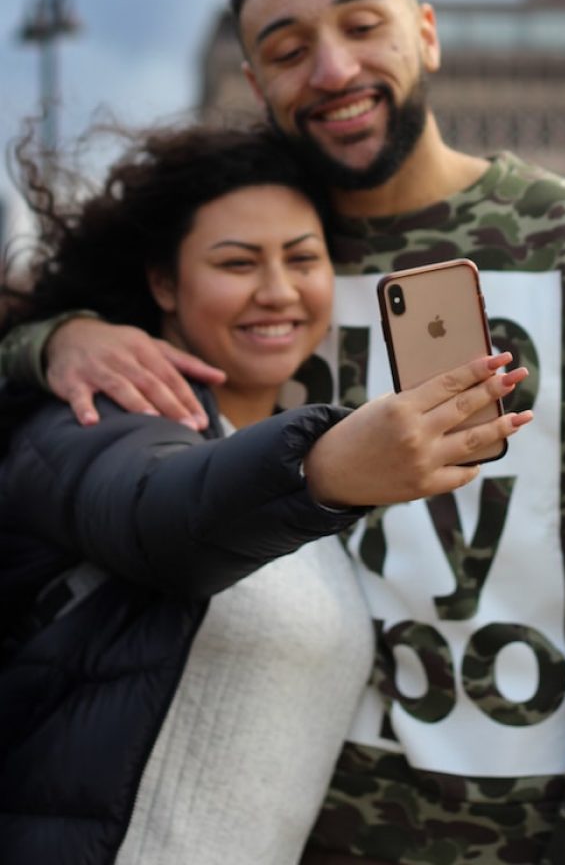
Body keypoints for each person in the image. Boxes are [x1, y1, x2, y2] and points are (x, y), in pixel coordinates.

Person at [1, 0, 565, 864]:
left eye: (361, 24)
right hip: (308, 829)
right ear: (255, 84)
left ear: (425, 30)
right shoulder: (277, 268)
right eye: (289, 49)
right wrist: (52, 340)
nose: (332, 69)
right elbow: (134, 469)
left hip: (535, 837)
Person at [0, 122, 529, 865]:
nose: (277, 291)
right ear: (163, 283)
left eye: (303, 259)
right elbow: (161, 511)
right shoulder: (90, 415)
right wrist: (322, 468)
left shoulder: (292, 463)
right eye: (237, 262)